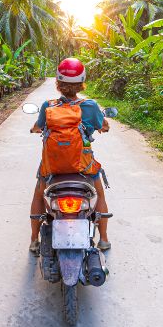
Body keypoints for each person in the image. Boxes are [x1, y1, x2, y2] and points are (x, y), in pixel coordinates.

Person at [29, 58, 111, 254]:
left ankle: (34, 240)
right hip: (83, 166)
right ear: (82, 83)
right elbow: (103, 126)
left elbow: (38, 127)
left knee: (39, 195)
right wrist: (103, 126)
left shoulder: (48, 105)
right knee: (99, 193)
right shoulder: (90, 106)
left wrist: (34, 129)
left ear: (58, 83)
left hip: (53, 167)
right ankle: (104, 239)